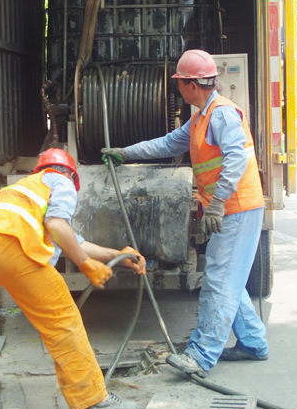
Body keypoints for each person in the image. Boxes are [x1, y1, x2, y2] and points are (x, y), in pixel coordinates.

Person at [0, 148, 146, 409]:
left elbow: (73, 240)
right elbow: (57, 224)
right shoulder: (61, 181)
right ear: (71, 174)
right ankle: (94, 399)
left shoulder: (22, 189)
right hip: (14, 250)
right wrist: (84, 264)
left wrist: (118, 255)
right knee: (63, 319)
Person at [102, 49, 268, 378]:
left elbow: (236, 158)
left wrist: (217, 202)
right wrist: (125, 153)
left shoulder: (221, 114)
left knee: (219, 282)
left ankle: (201, 355)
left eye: (179, 82)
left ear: (192, 85)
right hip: (231, 209)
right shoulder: (201, 117)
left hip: (236, 209)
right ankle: (253, 342)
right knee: (228, 278)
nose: (177, 87)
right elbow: (167, 144)